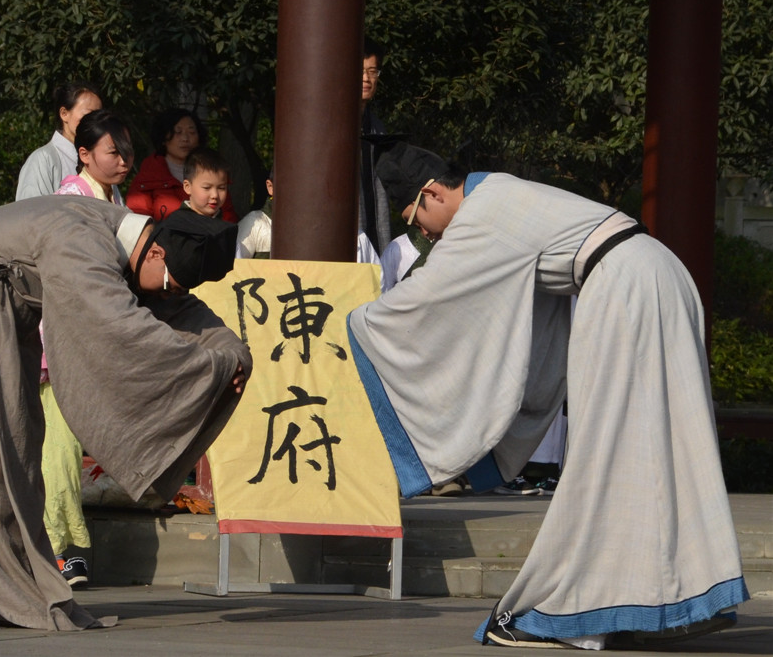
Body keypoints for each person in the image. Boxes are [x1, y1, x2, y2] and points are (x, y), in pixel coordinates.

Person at [346, 142, 748, 649]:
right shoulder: (501, 195)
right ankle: (672, 600)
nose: (420, 233)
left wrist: (359, 324)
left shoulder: (481, 215)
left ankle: (574, 608)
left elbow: (428, 300)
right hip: (654, 275)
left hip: (624, 287)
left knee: (608, 452)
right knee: (655, 449)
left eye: (414, 218)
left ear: (430, 193)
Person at [0, 196, 250, 630]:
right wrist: (210, 365)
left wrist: (232, 354)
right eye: (169, 283)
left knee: (15, 441)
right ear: (157, 251)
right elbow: (121, 326)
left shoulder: (132, 245)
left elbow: (181, 312)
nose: (167, 294)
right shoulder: (79, 240)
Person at [43, 109, 135, 586]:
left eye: (127, 152)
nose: (123, 161)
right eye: (113, 152)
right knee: (59, 447)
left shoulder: (113, 195)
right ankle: (65, 549)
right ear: (84, 153)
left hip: (93, 338)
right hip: (59, 338)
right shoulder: (69, 198)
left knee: (69, 443)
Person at [234, 165, 383, 279]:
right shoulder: (255, 224)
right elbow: (233, 275)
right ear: (270, 187)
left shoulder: (349, 234)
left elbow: (376, 281)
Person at [126, 108, 238, 222]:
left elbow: (228, 218)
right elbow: (138, 223)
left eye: (192, 132)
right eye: (178, 132)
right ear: (163, 138)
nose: (185, 138)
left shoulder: (213, 171)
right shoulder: (148, 176)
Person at [16, 81, 102, 200]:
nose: (95, 121)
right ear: (64, 113)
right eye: (88, 114)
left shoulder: (101, 159)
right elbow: (30, 213)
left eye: (99, 116)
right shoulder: (43, 159)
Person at [359, 37, 392, 257]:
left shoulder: (377, 126)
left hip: (375, 235)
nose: (367, 79)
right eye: (361, 71)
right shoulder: (330, 125)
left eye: (373, 72)